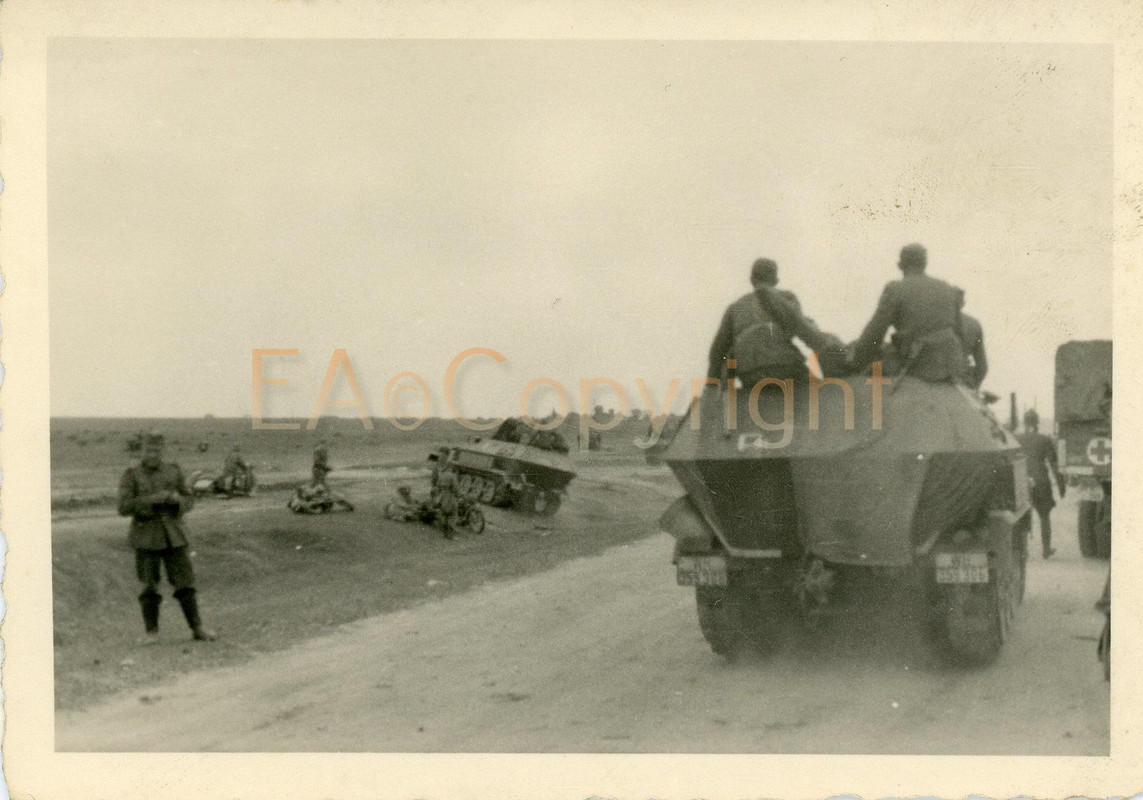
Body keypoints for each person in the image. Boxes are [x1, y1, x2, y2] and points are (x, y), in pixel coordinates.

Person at [117, 432, 217, 644]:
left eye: (157, 450)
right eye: (148, 450)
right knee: (149, 586)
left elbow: (189, 500)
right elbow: (123, 507)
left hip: (174, 535)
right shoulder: (131, 475)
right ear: (142, 451)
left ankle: (197, 628)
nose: (153, 454)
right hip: (145, 536)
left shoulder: (173, 470)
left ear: (163, 451)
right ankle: (151, 633)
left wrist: (176, 501)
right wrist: (151, 501)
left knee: (185, 582)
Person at [707, 257, 841, 390]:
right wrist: (828, 346)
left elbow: (717, 351)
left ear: (752, 280)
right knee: (819, 391)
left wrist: (711, 386)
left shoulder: (734, 308)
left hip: (749, 375)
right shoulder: (784, 296)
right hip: (783, 368)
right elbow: (801, 327)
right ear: (776, 280)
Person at [850, 243, 966, 382]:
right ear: (925, 264)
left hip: (915, 364)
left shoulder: (896, 289)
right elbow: (959, 332)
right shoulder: (946, 288)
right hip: (951, 364)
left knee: (867, 375)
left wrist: (857, 361)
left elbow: (875, 332)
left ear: (900, 265)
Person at [1017, 409, 1066, 559]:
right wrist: (1061, 486)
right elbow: (1053, 464)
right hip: (1041, 481)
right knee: (1044, 516)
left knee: (1020, 517)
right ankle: (1046, 550)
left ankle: (1021, 551)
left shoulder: (1016, 439)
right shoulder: (1044, 440)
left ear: (1024, 422)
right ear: (1037, 423)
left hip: (1021, 480)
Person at [957, 293, 989, 390]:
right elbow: (982, 367)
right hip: (961, 382)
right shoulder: (973, 324)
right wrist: (973, 387)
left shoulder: (930, 320)